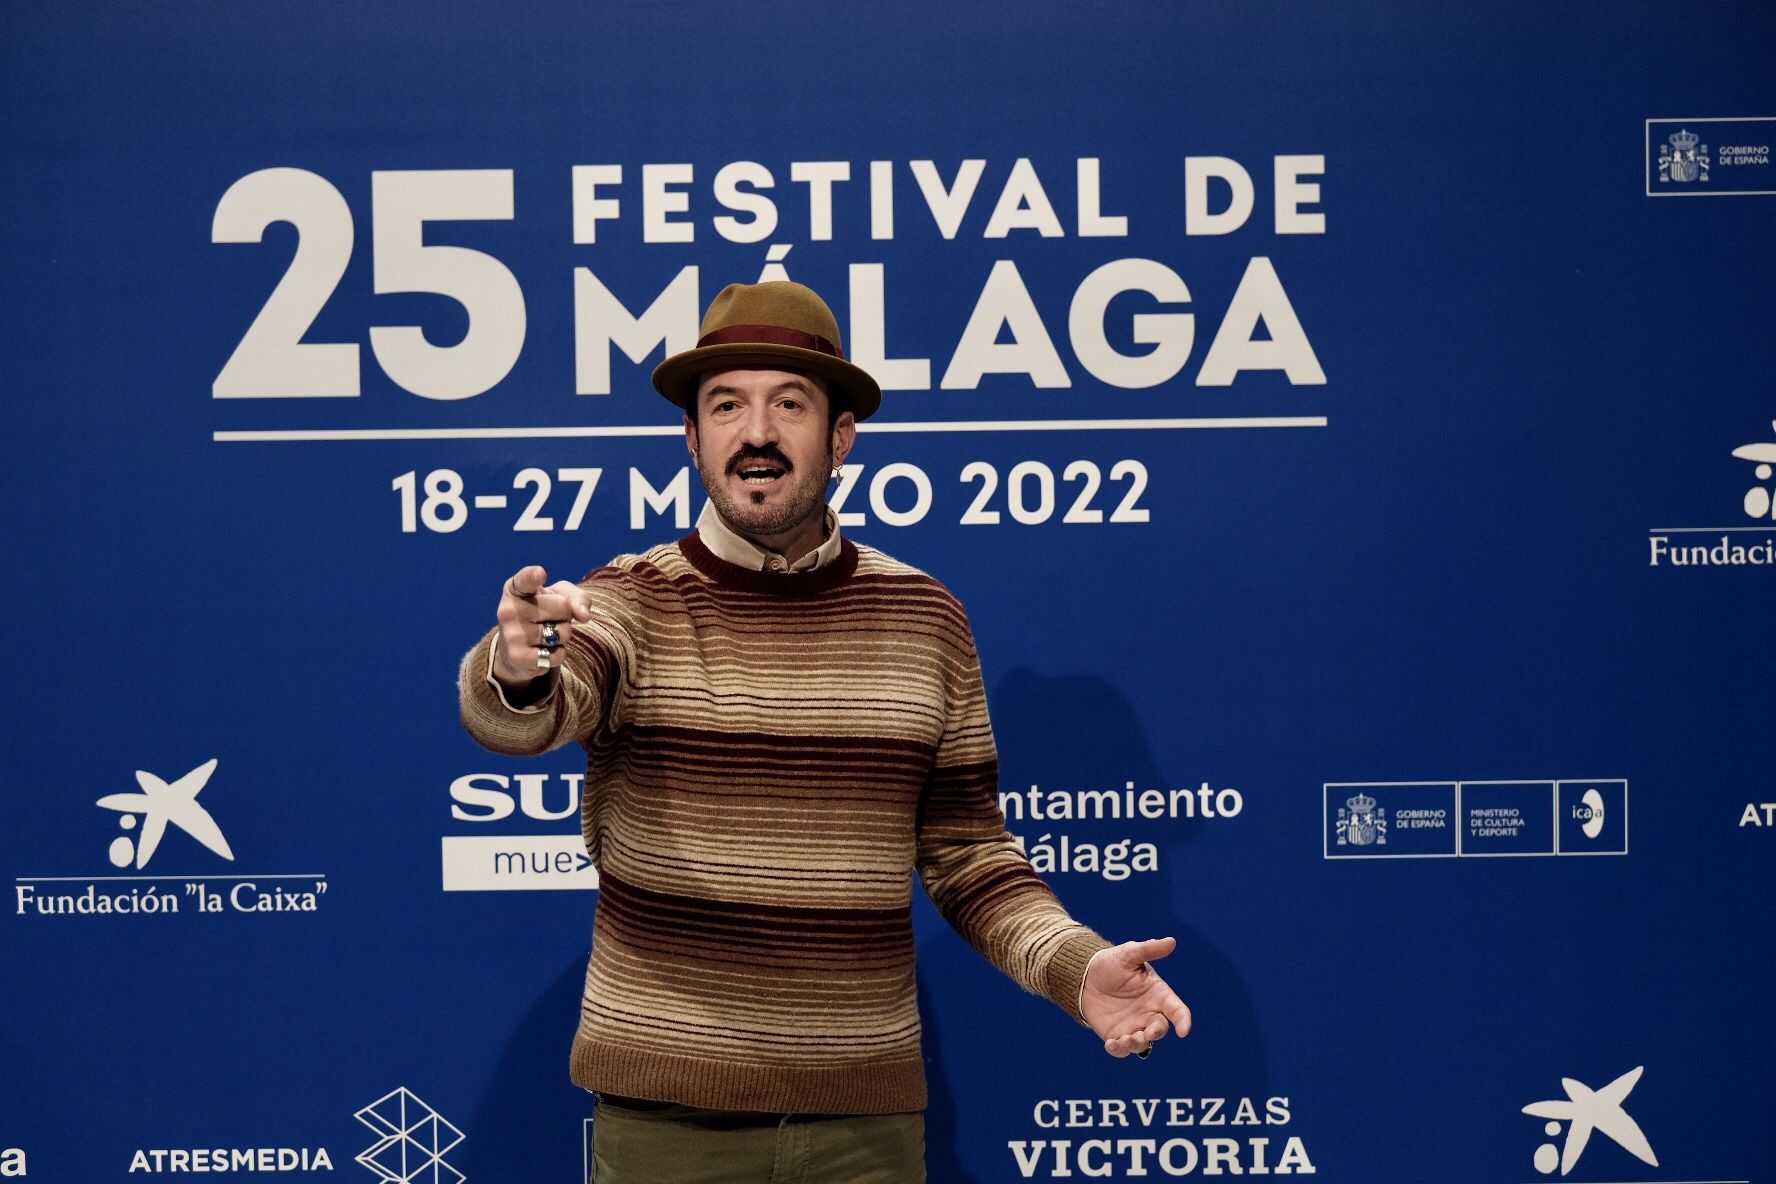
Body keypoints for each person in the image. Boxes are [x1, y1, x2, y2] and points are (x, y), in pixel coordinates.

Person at [458, 280, 1191, 1182]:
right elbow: (532, 709)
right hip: (667, 1125)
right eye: (725, 406)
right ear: (692, 438)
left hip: (864, 1131)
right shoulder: (628, 601)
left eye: (789, 405)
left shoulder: (926, 618)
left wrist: (1075, 971)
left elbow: (967, 853)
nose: (755, 433)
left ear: (841, 435)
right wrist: (517, 667)